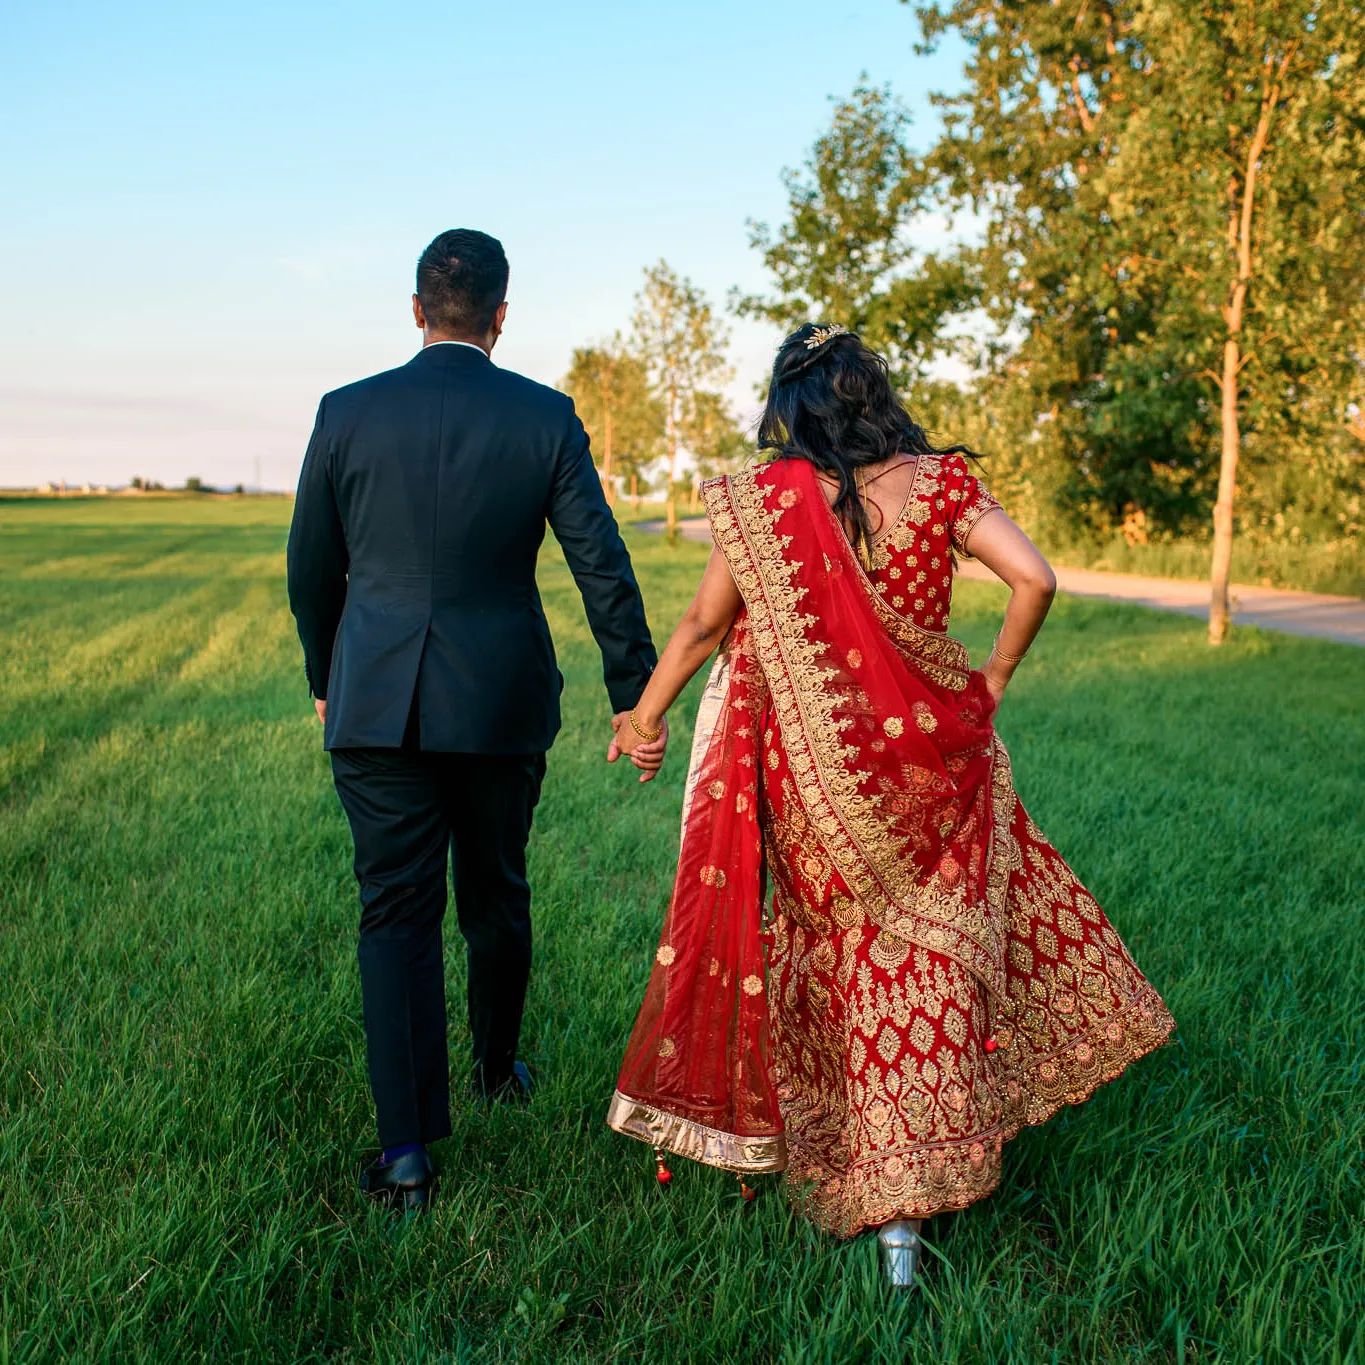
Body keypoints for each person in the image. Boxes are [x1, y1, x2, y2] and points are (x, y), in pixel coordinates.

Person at [606, 323, 1174, 1286]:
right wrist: (990, 676)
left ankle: (866, 1166)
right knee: (930, 961)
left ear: (790, 408)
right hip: (936, 770)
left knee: (843, 953)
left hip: (811, 780)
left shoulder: (765, 503)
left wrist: (642, 719)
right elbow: (1035, 577)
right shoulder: (944, 485)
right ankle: (919, 1197)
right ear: (873, 393)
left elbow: (705, 625)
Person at [287, 229, 657, 1214]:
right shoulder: (544, 418)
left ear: (416, 311)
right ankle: (498, 1068)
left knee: (394, 915)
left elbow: (311, 568)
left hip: (374, 706)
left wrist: (328, 674)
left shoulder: (345, 414)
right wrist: (635, 693)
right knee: (496, 888)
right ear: (501, 315)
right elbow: (601, 566)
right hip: (499, 702)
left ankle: (405, 1154)